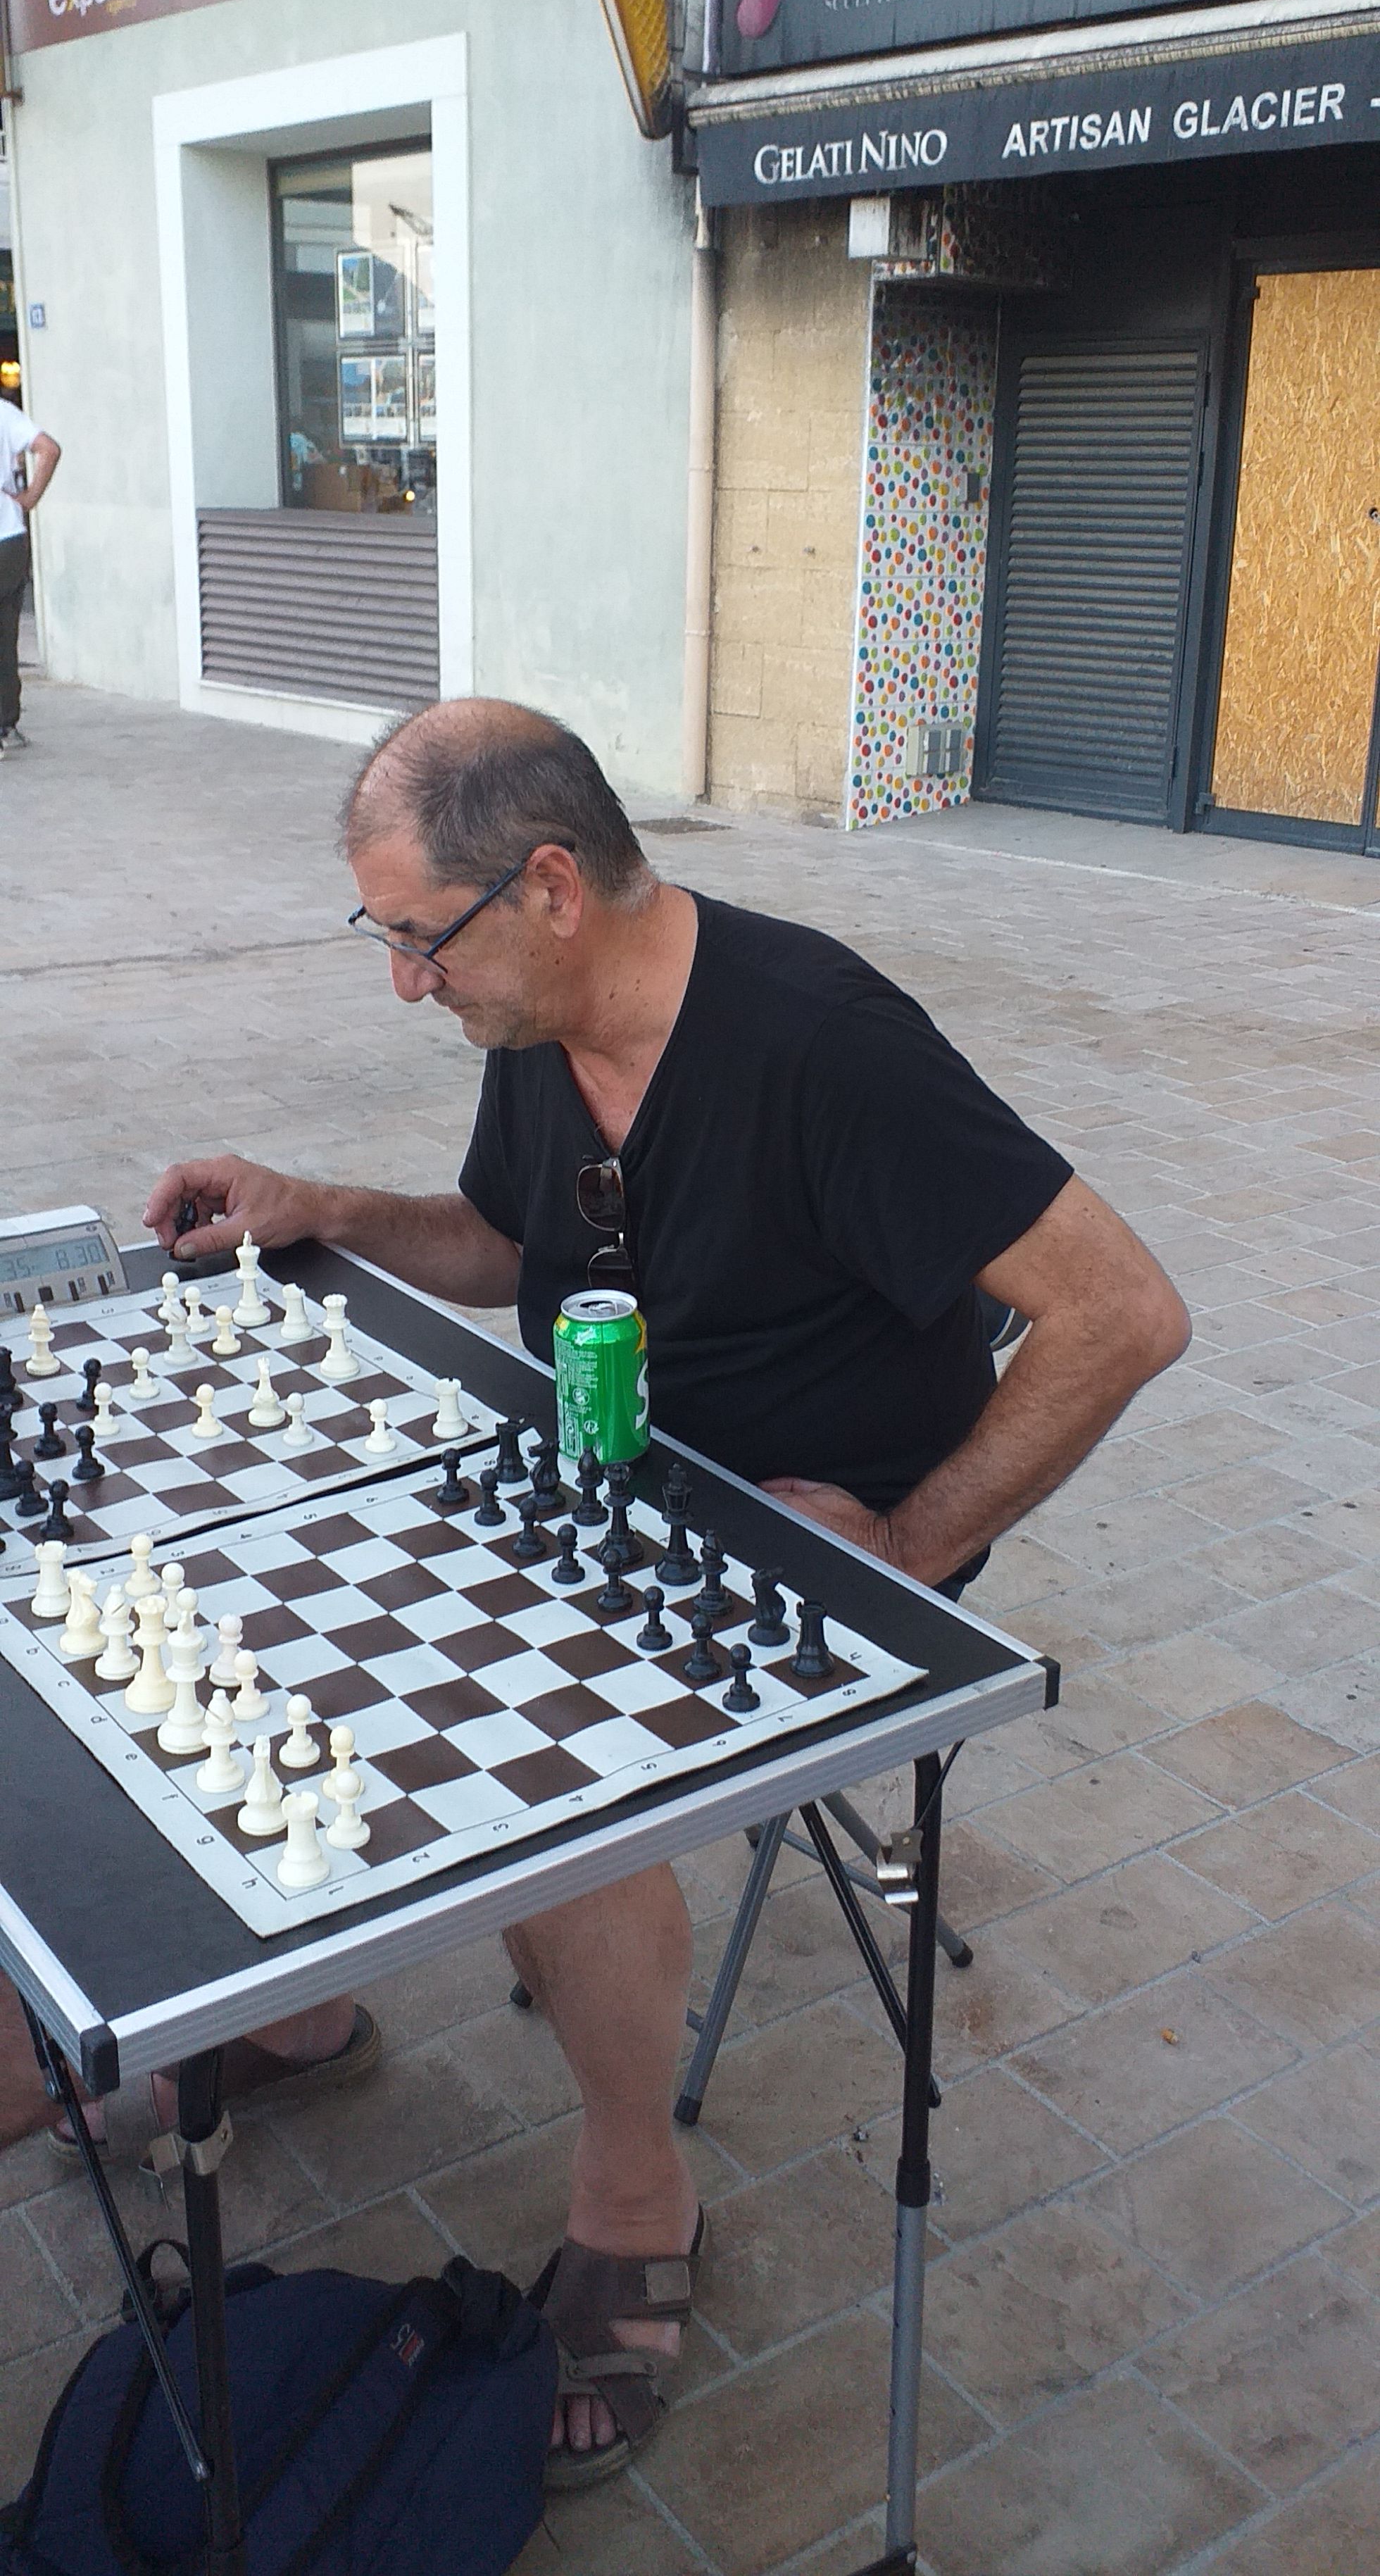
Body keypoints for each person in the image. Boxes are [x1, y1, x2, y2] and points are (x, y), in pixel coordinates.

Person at [144, 699, 1190, 2488]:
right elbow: (507, 1245)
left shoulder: (822, 1044)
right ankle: (301, 2006)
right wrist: (317, 1202)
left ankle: (636, 2191)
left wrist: (902, 1547)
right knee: (274, 1582)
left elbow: (1124, 1312)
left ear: (550, 887)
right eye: (385, 936)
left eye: (421, 938)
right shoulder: (541, 1019)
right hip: (613, 1472)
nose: (404, 983)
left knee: (548, 1760)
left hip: (818, 1540)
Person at [0, 393, 59, 756]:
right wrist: (30, 498)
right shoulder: (4, 413)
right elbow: (49, 449)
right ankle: (5, 726)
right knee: (6, 635)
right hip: (8, 538)